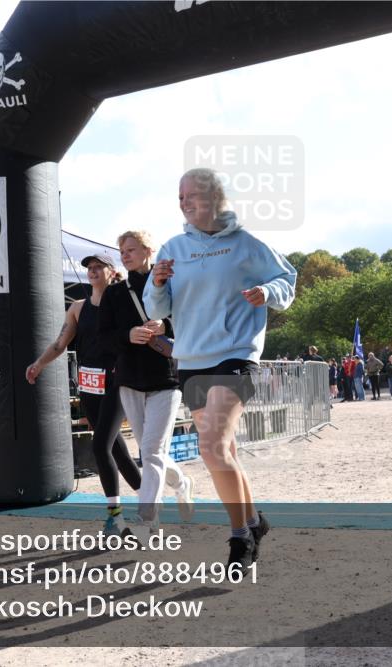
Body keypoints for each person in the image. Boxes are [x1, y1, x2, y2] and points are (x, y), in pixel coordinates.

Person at [145, 167, 296, 572]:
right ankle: (254, 521)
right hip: (191, 360)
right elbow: (156, 310)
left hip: (235, 354)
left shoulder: (246, 244)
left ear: (215, 198)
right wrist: (158, 284)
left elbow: (288, 279)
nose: (184, 202)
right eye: (179, 197)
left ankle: (239, 537)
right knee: (223, 451)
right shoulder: (172, 248)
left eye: (191, 195)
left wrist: (267, 291)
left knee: (212, 447)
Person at [26, 252, 142, 536]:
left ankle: (115, 519)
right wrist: (38, 364)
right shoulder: (77, 307)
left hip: (117, 382)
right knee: (118, 452)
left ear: (111, 272)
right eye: (89, 267)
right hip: (89, 386)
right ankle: (152, 501)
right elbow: (59, 343)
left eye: (98, 267)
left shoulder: (121, 303)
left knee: (100, 445)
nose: (92, 271)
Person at [98, 230, 195, 536]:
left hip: (166, 380)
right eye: (122, 250)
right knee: (153, 451)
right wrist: (128, 336)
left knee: (151, 451)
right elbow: (102, 338)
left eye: (130, 249)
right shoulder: (114, 293)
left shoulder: (170, 284)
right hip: (128, 381)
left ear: (148, 250)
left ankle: (148, 522)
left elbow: (191, 320)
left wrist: (165, 324)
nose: (125, 254)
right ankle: (182, 483)